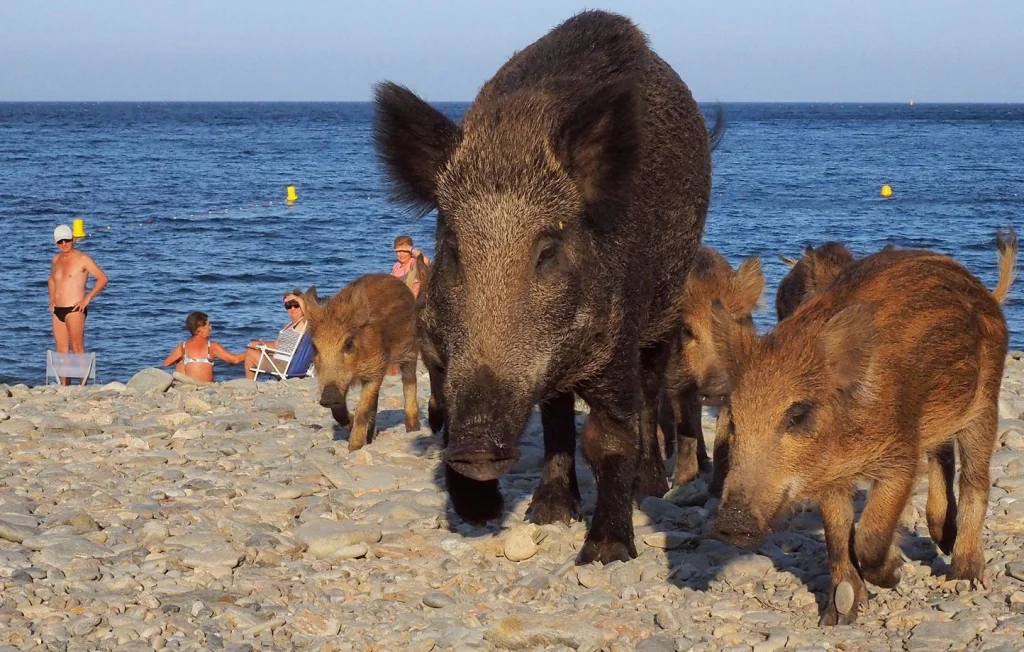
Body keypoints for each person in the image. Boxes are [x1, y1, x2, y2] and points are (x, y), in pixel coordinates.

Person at [48, 224, 108, 383]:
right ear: (56, 243)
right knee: (61, 350)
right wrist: (52, 301)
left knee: (77, 348)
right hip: (58, 309)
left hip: (75, 309)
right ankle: (64, 385)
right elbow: (52, 281)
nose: (64, 244)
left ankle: (82, 385)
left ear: (73, 239)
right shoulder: (56, 259)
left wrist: (87, 299)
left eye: (66, 240)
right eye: (60, 242)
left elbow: (102, 278)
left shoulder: (83, 258)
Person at [162, 312, 246, 382]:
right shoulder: (212, 346)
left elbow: (166, 363)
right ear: (200, 329)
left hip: (189, 385)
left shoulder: (183, 346)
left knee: (181, 359)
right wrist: (249, 352)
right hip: (207, 386)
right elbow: (235, 360)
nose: (211, 328)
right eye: (208, 325)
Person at [244, 289, 308, 379]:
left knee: (250, 354)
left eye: (296, 305)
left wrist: (298, 299)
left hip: (285, 366)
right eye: (288, 306)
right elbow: (275, 345)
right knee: (253, 350)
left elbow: (310, 315)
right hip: (278, 361)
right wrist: (261, 344)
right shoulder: (290, 325)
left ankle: (249, 384)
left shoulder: (304, 323)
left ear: (302, 305)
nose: (292, 309)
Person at [391, 235, 430, 299]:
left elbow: (426, 261)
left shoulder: (413, 262)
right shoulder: (396, 266)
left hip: (411, 300)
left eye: (405, 251)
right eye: (399, 251)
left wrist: (410, 248)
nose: (402, 254)